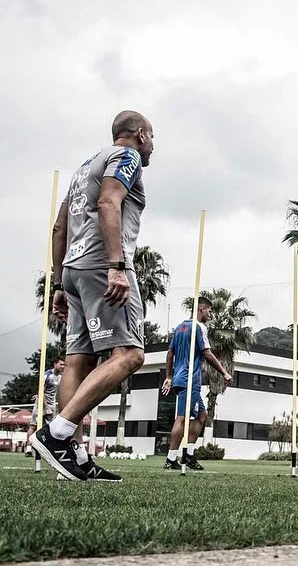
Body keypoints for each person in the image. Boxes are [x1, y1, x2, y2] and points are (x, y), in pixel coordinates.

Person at [31, 111, 154, 482]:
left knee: (78, 360)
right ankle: (56, 435)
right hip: (102, 264)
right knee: (130, 354)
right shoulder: (127, 157)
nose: (153, 146)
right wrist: (116, 265)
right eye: (152, 136)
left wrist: (57, 284)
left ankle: (75, 457)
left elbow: (58, 228)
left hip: (73, 268)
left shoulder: (84, 167)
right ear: (140, 133)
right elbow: (108, 203)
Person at [161, 296, 231, 470]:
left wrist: (169, 376)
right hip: (189, 380)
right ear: (201, 309)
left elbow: (170, 354)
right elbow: (207, 353)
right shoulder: (199, 327)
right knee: (182, 418)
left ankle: (190, 455)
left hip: (180, 379)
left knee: (201, 416)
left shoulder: (179, 328)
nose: (209, 314)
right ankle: (170, 459)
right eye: (208, 310)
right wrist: (224, 372)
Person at [24, 358, 65, 456]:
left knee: (51, 428)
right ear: (55, 364)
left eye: (64, 365)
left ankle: (49, 449)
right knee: (33, 426)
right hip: (41, 404)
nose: (62, 367)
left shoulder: (60, 377)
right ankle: (28, 449)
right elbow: (41, 391)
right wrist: (46, 407)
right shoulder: (47, 375)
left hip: (51, 404)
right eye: (61, 364)